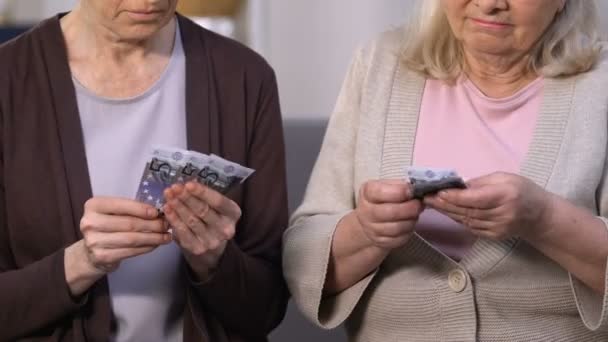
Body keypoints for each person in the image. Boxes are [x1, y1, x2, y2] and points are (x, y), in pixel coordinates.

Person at [283, 0, 608, 340]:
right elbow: (302, 264)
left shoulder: (600, 87)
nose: (489, 4)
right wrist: (366, 232)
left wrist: (544, 220)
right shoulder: (380, 63)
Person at [0, 0, 288, 341]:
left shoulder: (244, 78)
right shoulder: (9, 80)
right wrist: (81, 263)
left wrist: (214, 260)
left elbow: (267, 307)